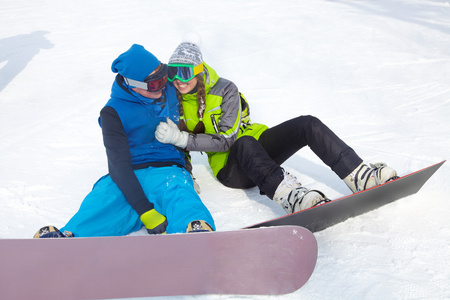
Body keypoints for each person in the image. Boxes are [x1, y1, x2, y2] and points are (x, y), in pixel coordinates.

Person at [155, 41, 398, 215]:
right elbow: (198, 146)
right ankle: (294, 198)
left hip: (256, 144)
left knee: (307, 123)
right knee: (243, 144)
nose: (178, 79)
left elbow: (226, 136)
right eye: (173, 72)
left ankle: (359, 176)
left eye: (185, 72)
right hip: (231, 169)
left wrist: (183, 138)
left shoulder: (225, 89)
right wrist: (184, 171)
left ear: (199, 71)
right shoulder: (172, 102)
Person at [34, 44, 215, 238]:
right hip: (128, 173)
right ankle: (67, 239)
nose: (162, 86)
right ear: (132, 84)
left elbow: (203, 82)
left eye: (163, 77)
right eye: (154, 84)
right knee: (104, 200)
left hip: (167, 168)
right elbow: (118, 165)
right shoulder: (112, 113)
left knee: (179, 194)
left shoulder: (169, 87)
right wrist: (145, 211)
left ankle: (195, 232)